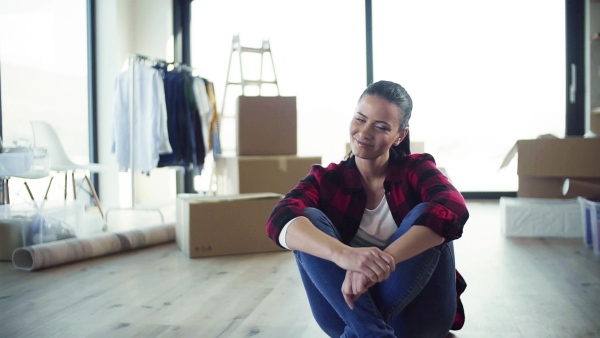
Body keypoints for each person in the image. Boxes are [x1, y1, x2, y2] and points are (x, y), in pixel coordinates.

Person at [265, 80, 469, 338]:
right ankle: (373, 333)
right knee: (305, 219)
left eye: (381, 126)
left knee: (429, 213)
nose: (364, 132)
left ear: (400, 136)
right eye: (360, 119)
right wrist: (344, 255)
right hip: (346, 311)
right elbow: (278, 218)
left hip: (420, 317)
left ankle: (365, 331)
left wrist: (381, 263)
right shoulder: (326, 180)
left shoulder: (416, 169)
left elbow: (453, 208)